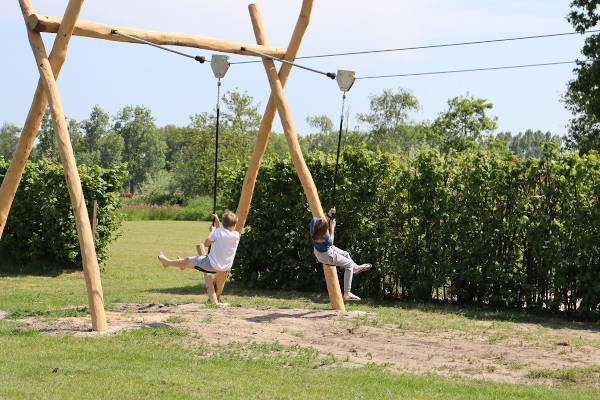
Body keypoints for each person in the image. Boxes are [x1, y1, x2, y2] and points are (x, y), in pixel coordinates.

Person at [310, 207, 372, 301]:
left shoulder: (314, 223)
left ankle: (355, 269)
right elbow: (331, 241)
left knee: (346, 254)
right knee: (349, 265)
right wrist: (332, 227)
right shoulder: (325, 236)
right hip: (326, 256)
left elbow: (322, 222)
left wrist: (329, 215)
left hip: (320, 251)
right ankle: (347, 293)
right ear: (324, 230)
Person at [158, 211, 240, 274]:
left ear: (224, 223)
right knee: (194, 262)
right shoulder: (236, 235)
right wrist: (217, 223)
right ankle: (182, 264)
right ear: (235, 225)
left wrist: (212, 231)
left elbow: (206, 244)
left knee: (187, 260)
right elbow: (223, 234)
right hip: (226, 267)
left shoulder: (217, 232)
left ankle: (167, 262)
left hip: (211, 265)